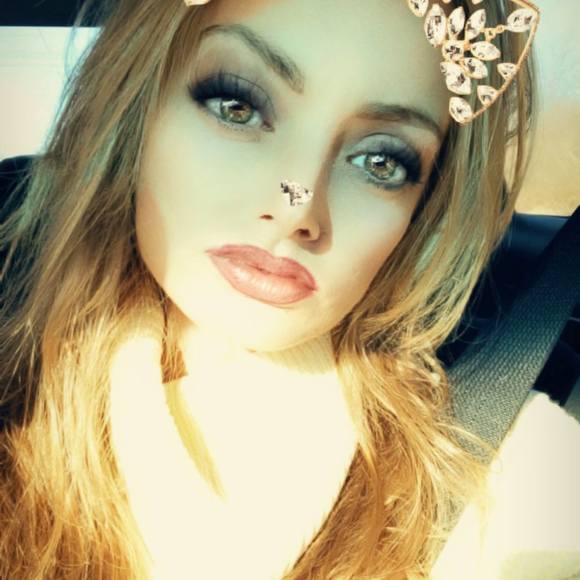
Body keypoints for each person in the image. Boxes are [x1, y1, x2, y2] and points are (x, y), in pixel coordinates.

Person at [0, 0, 578, 578]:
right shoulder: (17, 374)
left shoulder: (514, 473)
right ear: (137, 104)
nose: (296, 206)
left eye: (381, 161)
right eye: (238, 106)